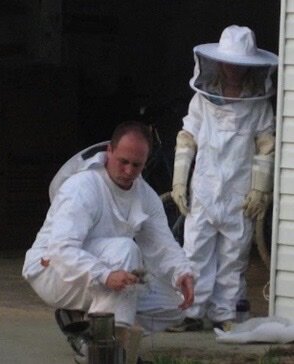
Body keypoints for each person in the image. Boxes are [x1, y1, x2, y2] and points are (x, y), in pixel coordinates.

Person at [22, 121, 195, 364]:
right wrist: (104, 275)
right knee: (126, 251)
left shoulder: (146, 195)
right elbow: (61, 249)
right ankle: (108, 354)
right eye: (123, 161)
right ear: (110, 151)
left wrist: (182, 272)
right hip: (51, 270)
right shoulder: (82, 187)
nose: (128, 171)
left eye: (136, 165)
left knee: (177, 303)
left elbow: (162, 244)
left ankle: (87, 331)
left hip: (108, 270)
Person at [170, 25, 278, 332]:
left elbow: (265, 146)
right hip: (203, 190)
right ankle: (189, 312)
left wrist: (259, 189)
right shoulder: (202, 99)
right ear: (218, 62)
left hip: (239, 194)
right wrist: (179, 180)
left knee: (234, 257)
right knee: (195, 252)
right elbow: (187, 138)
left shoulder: (258, 104)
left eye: (239, 64)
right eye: (228, 62)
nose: (233, 69)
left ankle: (226, 315)